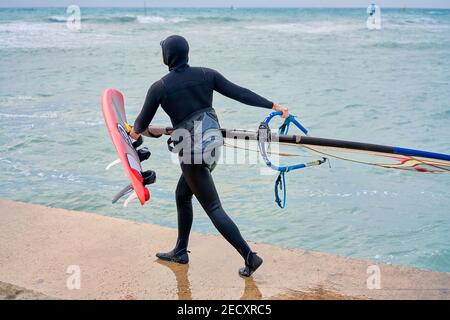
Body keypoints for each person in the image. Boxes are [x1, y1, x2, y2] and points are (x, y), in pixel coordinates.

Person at [130, 35, 288, 277]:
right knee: (183, 195)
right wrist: (272, 105)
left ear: (167, 56)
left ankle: (250, 257)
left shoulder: (159, 87)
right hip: (213, 146)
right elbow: (240, 93)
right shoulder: (206, 74)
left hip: (191, 152)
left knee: (213, 207)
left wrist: (130, 130)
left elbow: (139, 127)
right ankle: (180, 251)